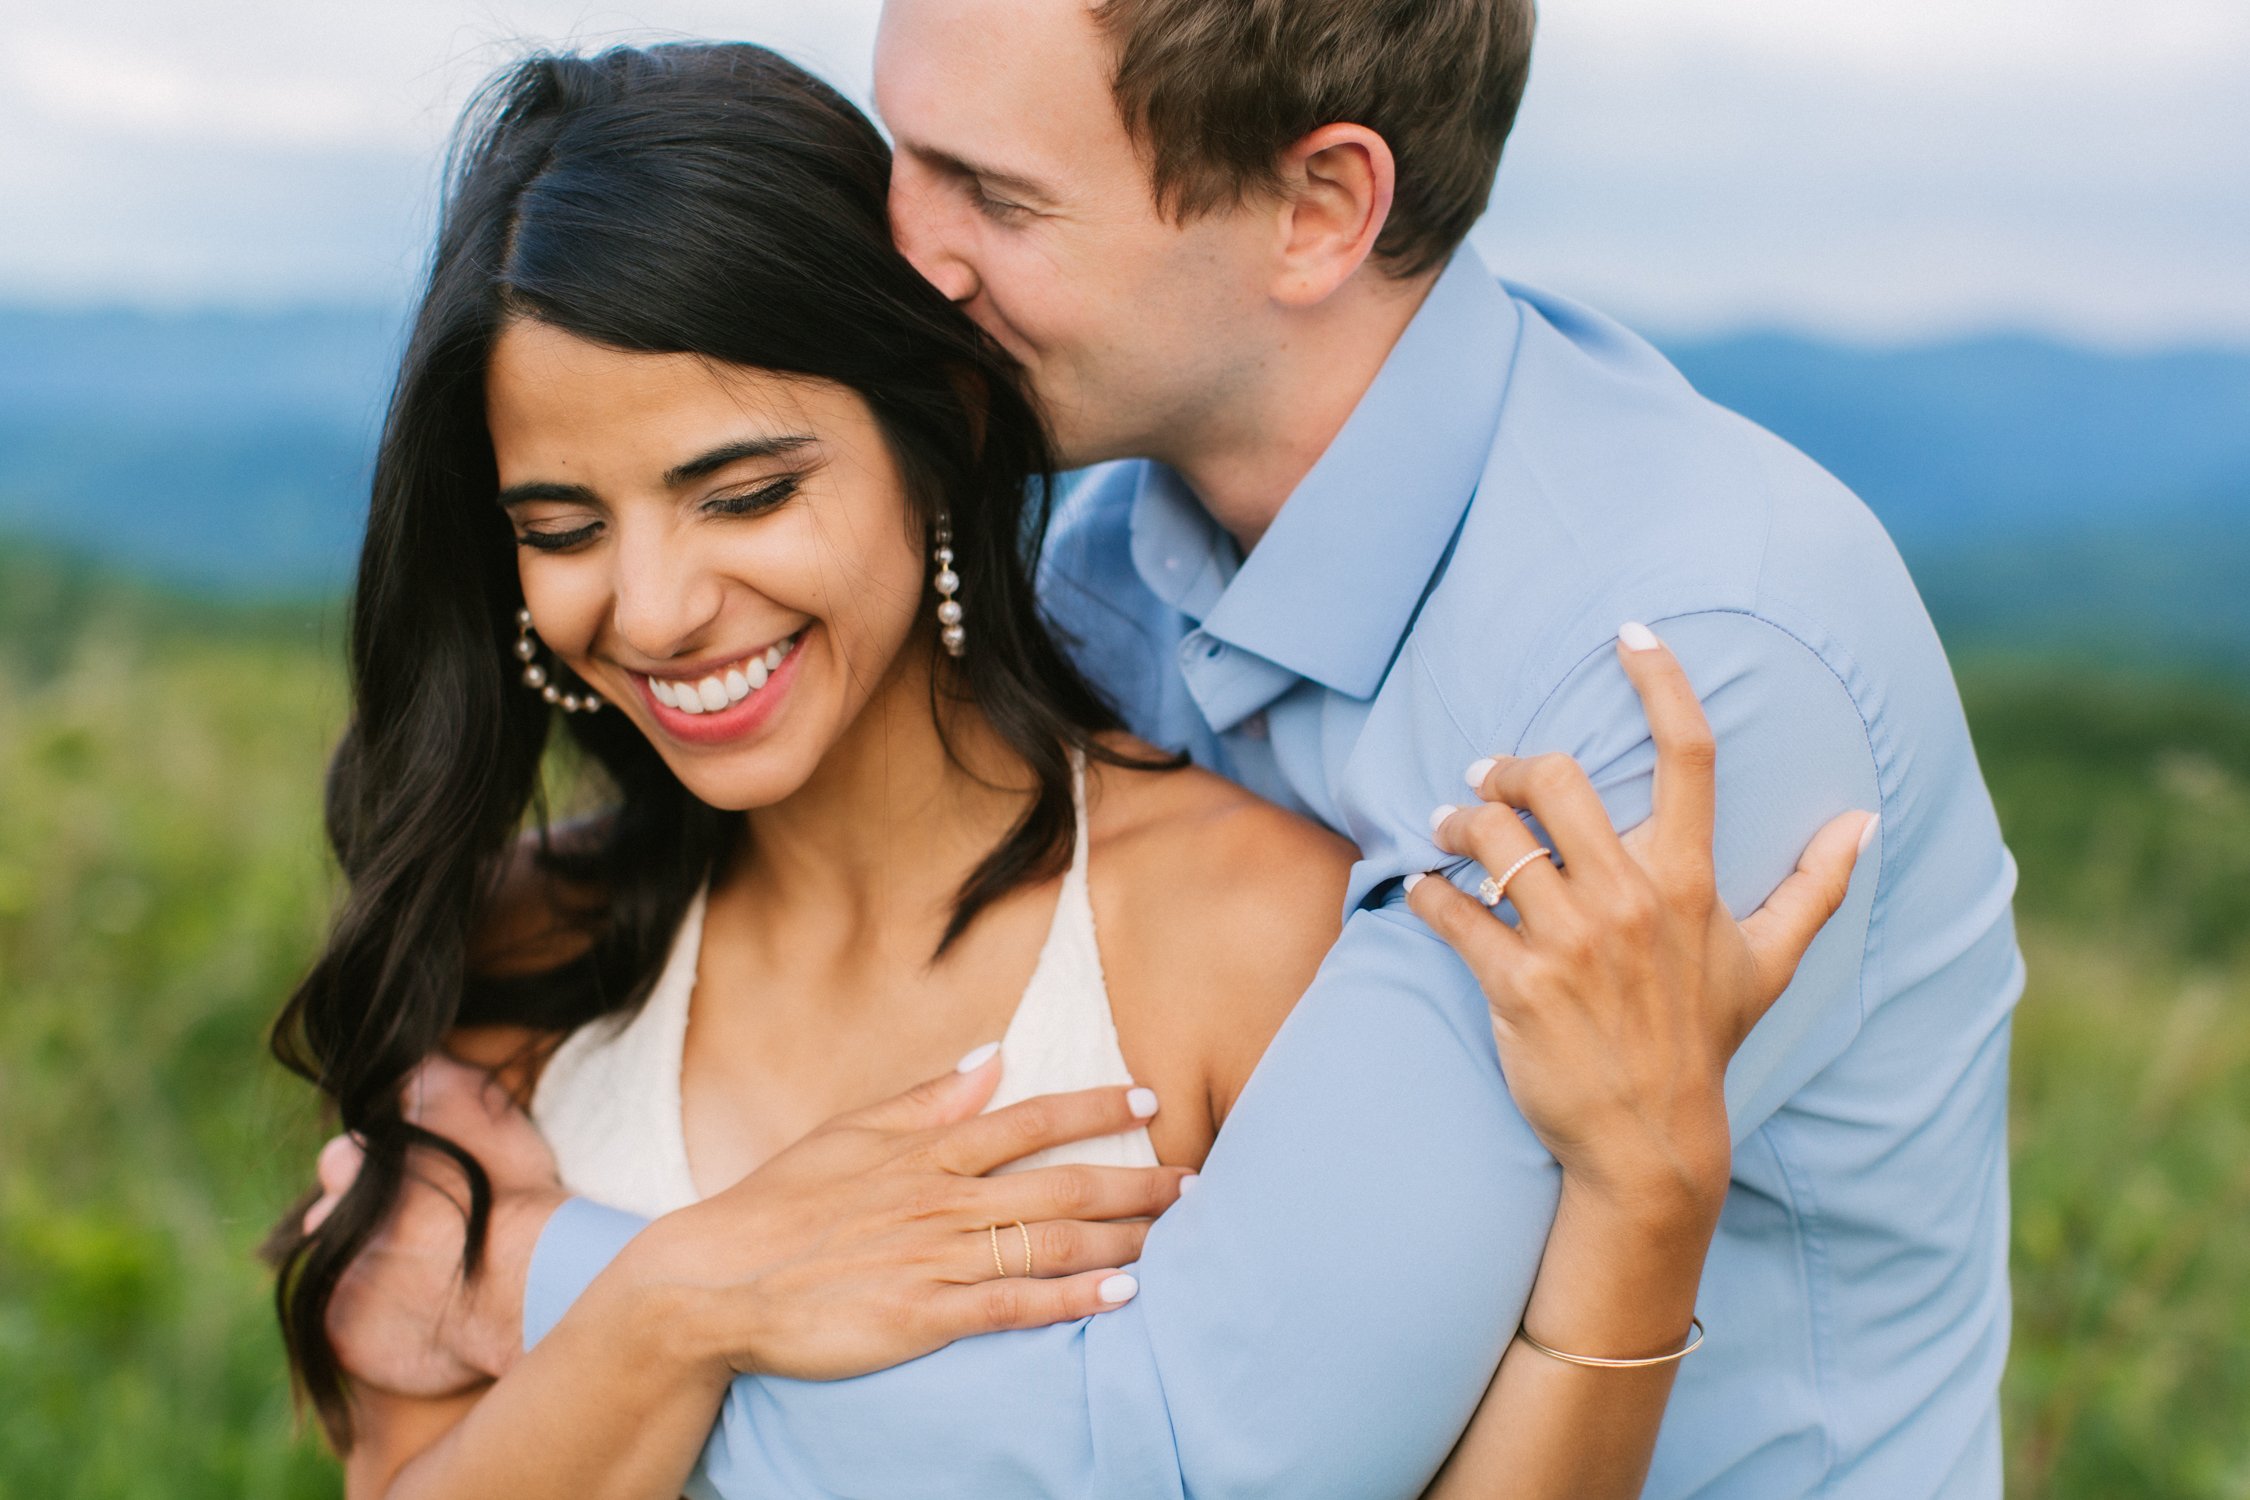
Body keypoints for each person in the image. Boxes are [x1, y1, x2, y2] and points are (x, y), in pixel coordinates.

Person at [309, 0, 2025, 1490]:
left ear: (1317, 207)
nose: (905, 256)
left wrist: (560, 1285)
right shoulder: (1112, 568)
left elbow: (1220, 1457)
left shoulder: (1669, 677)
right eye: (905, 155)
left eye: (989, 191)